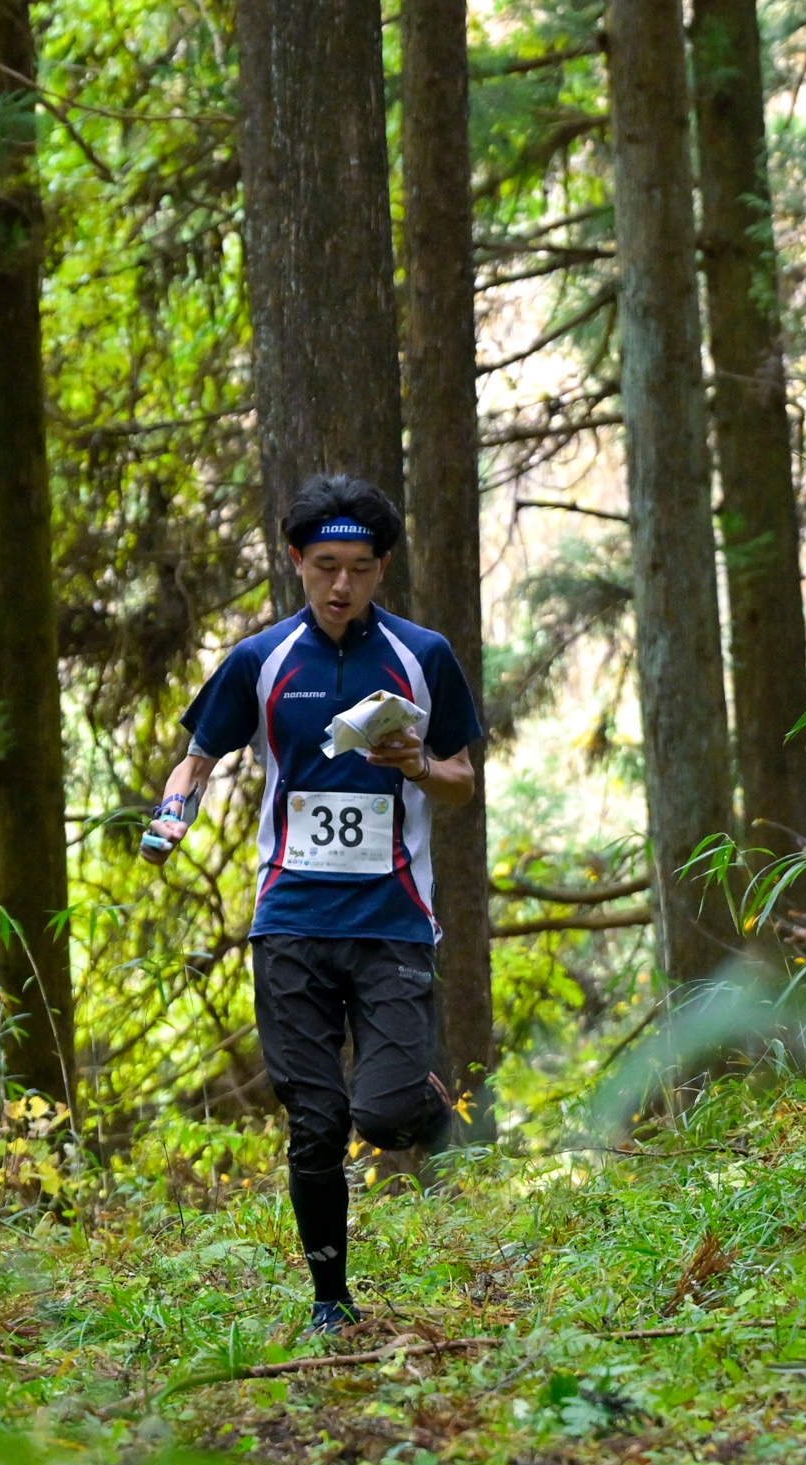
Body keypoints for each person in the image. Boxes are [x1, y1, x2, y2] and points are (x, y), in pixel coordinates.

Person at [143, 473, 483, 1335]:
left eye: (360, 569)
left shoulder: (422, 655)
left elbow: (462, 781)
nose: (342, 585)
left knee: (383, 1113)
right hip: (291, 919)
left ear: (382, 570)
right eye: (326, 566)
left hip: (392, 922)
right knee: (317, 1122)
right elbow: (198, 757)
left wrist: (417, 765)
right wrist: (174, 810)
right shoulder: (260, 660)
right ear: (296, 561)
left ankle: (425, 1102)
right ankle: (331, 1301)